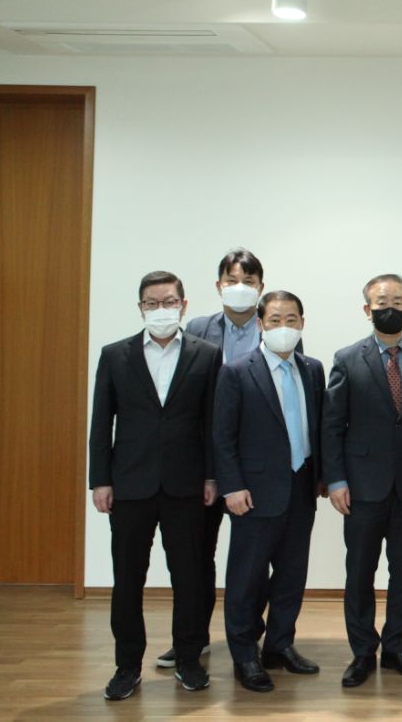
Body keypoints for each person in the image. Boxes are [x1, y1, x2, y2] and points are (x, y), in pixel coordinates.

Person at [88, 270, 220, 699]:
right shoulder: (115, 355)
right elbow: (101, 422)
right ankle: (127, 667)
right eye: (152, 303)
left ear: (183, 305)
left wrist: (212, 475)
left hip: (187, 485)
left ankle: (188, 660)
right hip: (130, 485)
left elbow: (212, 422)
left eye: (169, 302)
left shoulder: (207, 355)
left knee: (189, 578)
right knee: (128, 580)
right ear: (141, 307)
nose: (161, 309)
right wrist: (100, 480)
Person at [153, 248, 278, 671]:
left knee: (253, 560)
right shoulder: (197, 329)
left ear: (260, 287)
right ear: (218, 285)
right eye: (232, 280)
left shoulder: (274, 327)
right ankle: (192, 638)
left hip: (254, 465)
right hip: (203, 464)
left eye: (248, 281)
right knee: (195, 557)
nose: (239, 287)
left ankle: (249, 635)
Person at [322, 274, 402, 688]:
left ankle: (396, 648)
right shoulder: (346, 359)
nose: (389, 307)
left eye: (397, 301)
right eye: (381, 302)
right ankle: (362, 652)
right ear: (367, 309)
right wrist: (335, 479)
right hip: (361, 485)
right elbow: (332, 425)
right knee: (360, 571)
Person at [214, 290, 325, 693]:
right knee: (247, 577)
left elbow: (319, 427)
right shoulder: (236, 372)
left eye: (291, 319)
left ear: (302, 324)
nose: (284, 327)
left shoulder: (312, 369)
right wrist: (232, 486)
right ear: (260, 324)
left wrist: (324, 476)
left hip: (301, 486)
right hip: (254, 492)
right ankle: (245, 655)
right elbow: (222, 436)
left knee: (292, 574)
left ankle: (280, 644)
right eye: (275, 320)